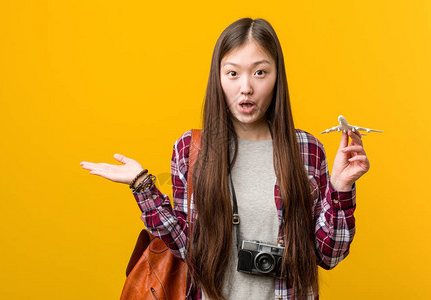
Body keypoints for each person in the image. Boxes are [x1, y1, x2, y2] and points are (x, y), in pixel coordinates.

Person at [80, 17, 369, 300]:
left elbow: (329, 254)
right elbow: (186, 248)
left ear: (277, 76)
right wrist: (142, 185)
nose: (246, 87)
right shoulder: (192, 149)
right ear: (217, 78)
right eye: (233, 73)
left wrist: (340, 187)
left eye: (260, 72)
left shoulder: (306, 149)